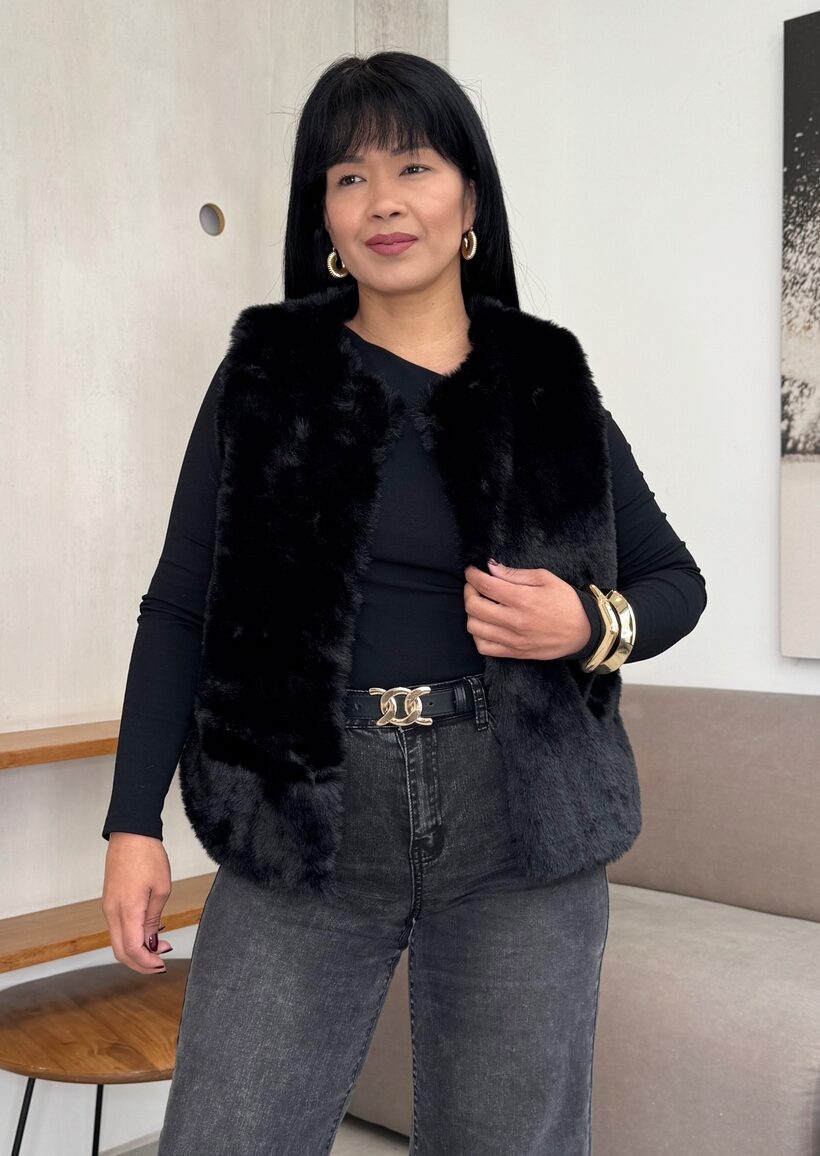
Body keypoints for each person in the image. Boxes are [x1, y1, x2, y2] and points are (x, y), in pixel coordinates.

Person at [101, 49, 707, 1156]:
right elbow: (180, 607)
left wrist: (589, 625)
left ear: (468, 201)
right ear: (325, 219)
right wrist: (132, 823)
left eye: (414, 167)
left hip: (519, 818)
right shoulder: (265, 377)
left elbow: (675, 580)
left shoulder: (544, 380)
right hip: (302, 809)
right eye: (349, 176)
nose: (383, 200)